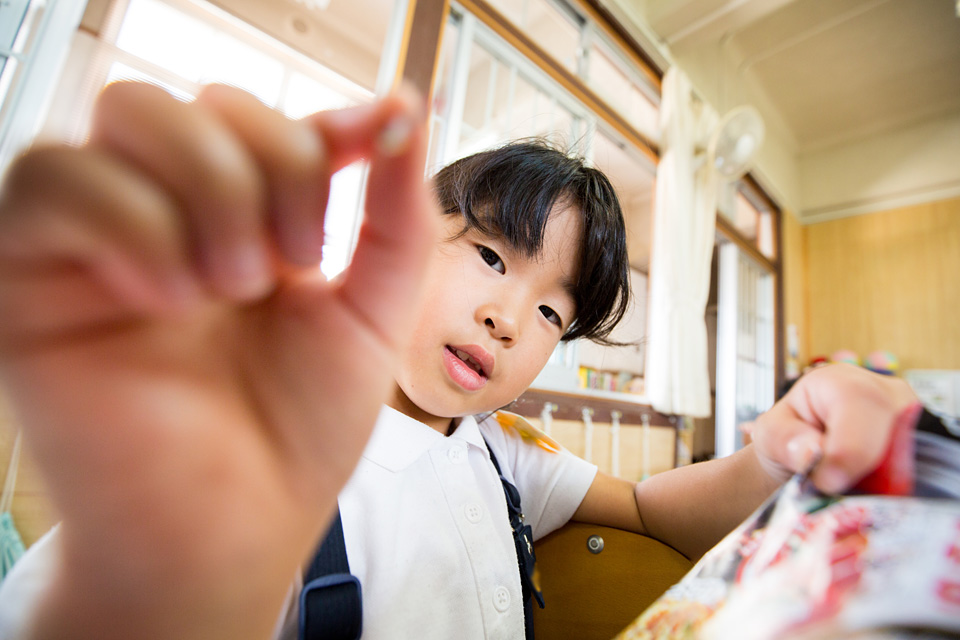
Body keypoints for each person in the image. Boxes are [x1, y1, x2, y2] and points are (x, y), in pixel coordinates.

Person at [0, 82, 920, 640]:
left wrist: (775, 450)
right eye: (489, 255)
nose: (509, 318)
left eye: (553, 311)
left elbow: (650, 511)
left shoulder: (498, 449)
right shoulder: (262, 453)